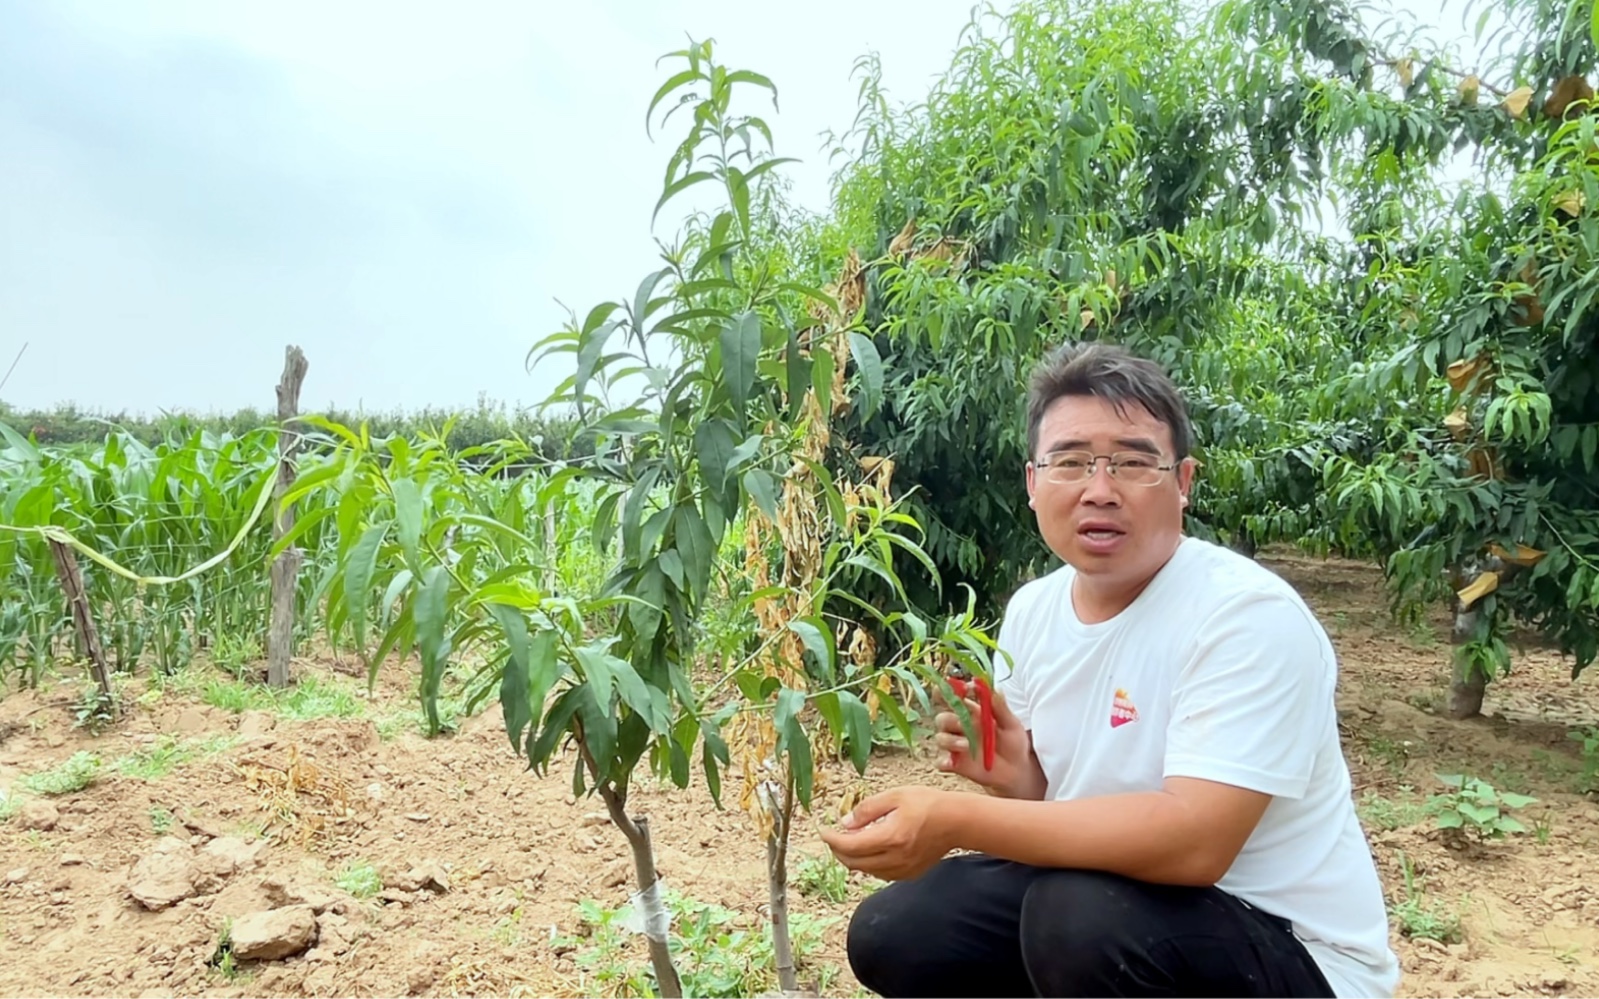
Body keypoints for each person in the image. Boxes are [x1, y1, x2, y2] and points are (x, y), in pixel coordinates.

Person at [819, 341, 1399, 998]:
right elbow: (1079, 818)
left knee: (1077, 915)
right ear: (1034, 483)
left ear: (1181, 482)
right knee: (901, 928)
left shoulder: (1246, 615)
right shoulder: (1036, 608)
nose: (1099, 489)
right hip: (1133, 912)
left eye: (1130, 462)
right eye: (1069, 462)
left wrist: (952, 818)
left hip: (1289, 947)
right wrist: (1023, 778)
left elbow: (1194, 842)